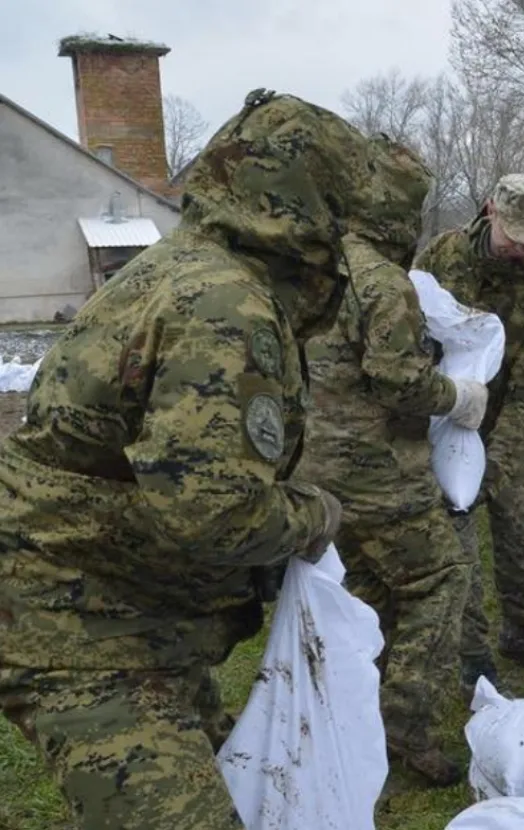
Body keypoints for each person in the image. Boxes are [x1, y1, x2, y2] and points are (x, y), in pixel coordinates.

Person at [0, 89, 386, 829]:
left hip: (130, 611)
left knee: (230, 780)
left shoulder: (185, 264)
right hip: (78, 630)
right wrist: (315, 516)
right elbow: (215, 512)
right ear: (312, 206)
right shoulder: (224, 306)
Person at [299, 136, 487, 786]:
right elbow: (397, 381)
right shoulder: (383, 283)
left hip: (317, 468)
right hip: (378, 470)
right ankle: (405, 725)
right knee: (440, 580)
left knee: (373, 590)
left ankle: (351, 716)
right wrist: (458, 394)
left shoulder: (316, 266)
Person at [415, 175, 524, 691]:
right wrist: (439, 404)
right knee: (458, 547)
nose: (523, 247)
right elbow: (409, 328)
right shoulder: (444, 256)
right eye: (514, 235)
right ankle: (471, 651)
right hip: (447, 418)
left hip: (508, 424)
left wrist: (500, 453)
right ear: (490, 212)